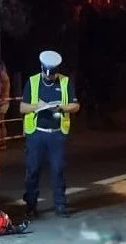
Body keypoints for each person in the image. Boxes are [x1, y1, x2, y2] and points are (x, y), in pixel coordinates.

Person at [19, 50, 80, 217]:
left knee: (58, 169)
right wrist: (37, 106)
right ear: (41, 68)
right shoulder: (32, 82)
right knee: (32, 170)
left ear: (56, 71)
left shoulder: (65, 82)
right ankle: (31, 205)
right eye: (46, 75)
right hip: (36, 134)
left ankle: (60, 205)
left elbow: (75, 106)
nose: (48, 78)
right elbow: (22, 108)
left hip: (56, 134)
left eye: (51, 76)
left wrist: (60, 107)